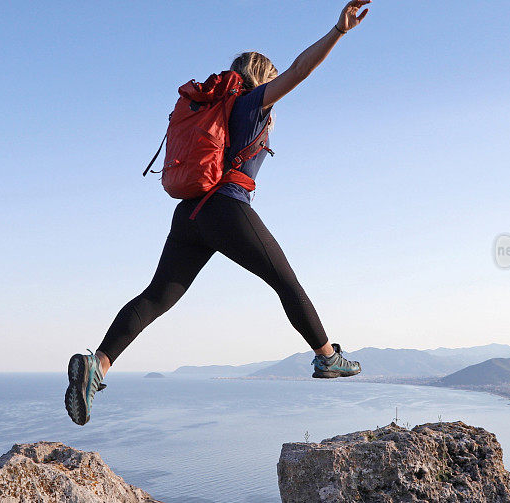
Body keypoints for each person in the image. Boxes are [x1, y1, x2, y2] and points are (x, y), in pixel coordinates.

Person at [65, 1, 371, 426]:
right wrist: (337, 32)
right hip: (226, 207)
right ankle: (327, 358)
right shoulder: (249, 106)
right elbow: (301, 70)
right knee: (285, 281)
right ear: (263, 79)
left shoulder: (212, 110)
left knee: (155, 297)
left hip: (188, 214)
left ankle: (97, 366)